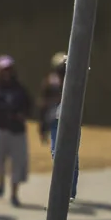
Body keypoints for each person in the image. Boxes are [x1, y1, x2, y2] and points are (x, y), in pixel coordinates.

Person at [0, 55, 31, 207]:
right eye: (4, 69)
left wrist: (21, 115)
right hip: (1, 129)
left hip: (17, 131)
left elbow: (28, 105)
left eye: (9, 69)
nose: (7, 72)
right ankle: (0, 182)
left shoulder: (19, 88)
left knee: (17, 164)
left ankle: (14, 194)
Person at [38, 52, 79, 201]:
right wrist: (42, 129)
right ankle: (61, 188)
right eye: (61, 66)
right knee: (57, 154)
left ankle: (71, 192)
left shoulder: (75, 81)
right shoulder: (50, 82)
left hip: (72, 122)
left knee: (73, 156)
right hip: (55, 122)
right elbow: (43, 104)